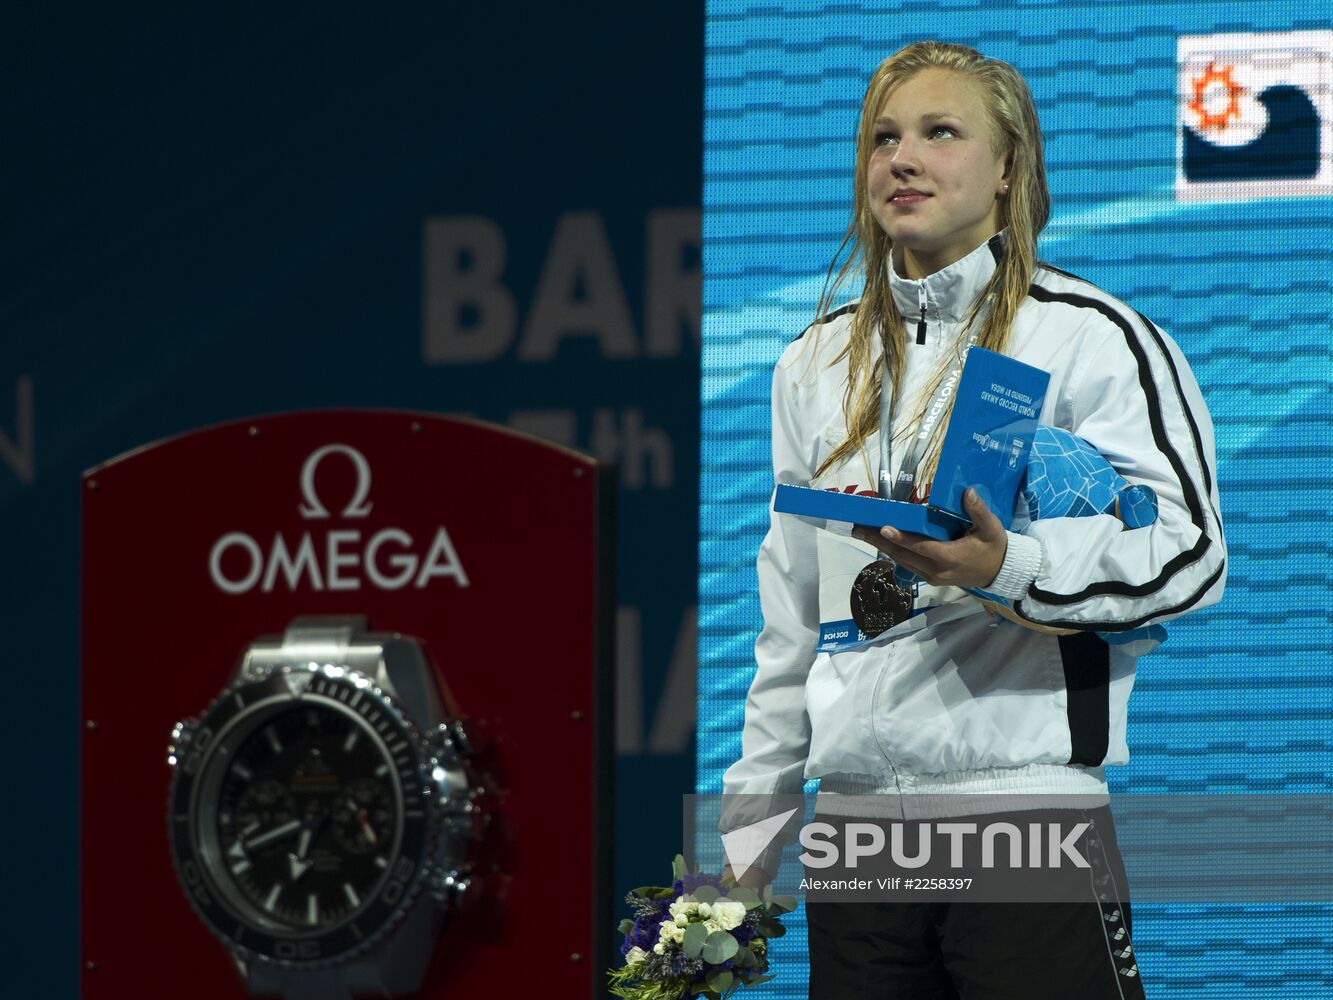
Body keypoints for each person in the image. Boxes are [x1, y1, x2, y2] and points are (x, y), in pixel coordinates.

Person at [720, 41, 1226, 998]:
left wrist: (1003, 566)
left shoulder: (1087, 336)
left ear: (1007, 168)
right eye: (883, 137)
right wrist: (749, 846)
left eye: (939, 133)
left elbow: (1189, 553)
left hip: (1022, 814)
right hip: (856, 835)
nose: (900, 159)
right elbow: (789, 627)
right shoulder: (811, 366)